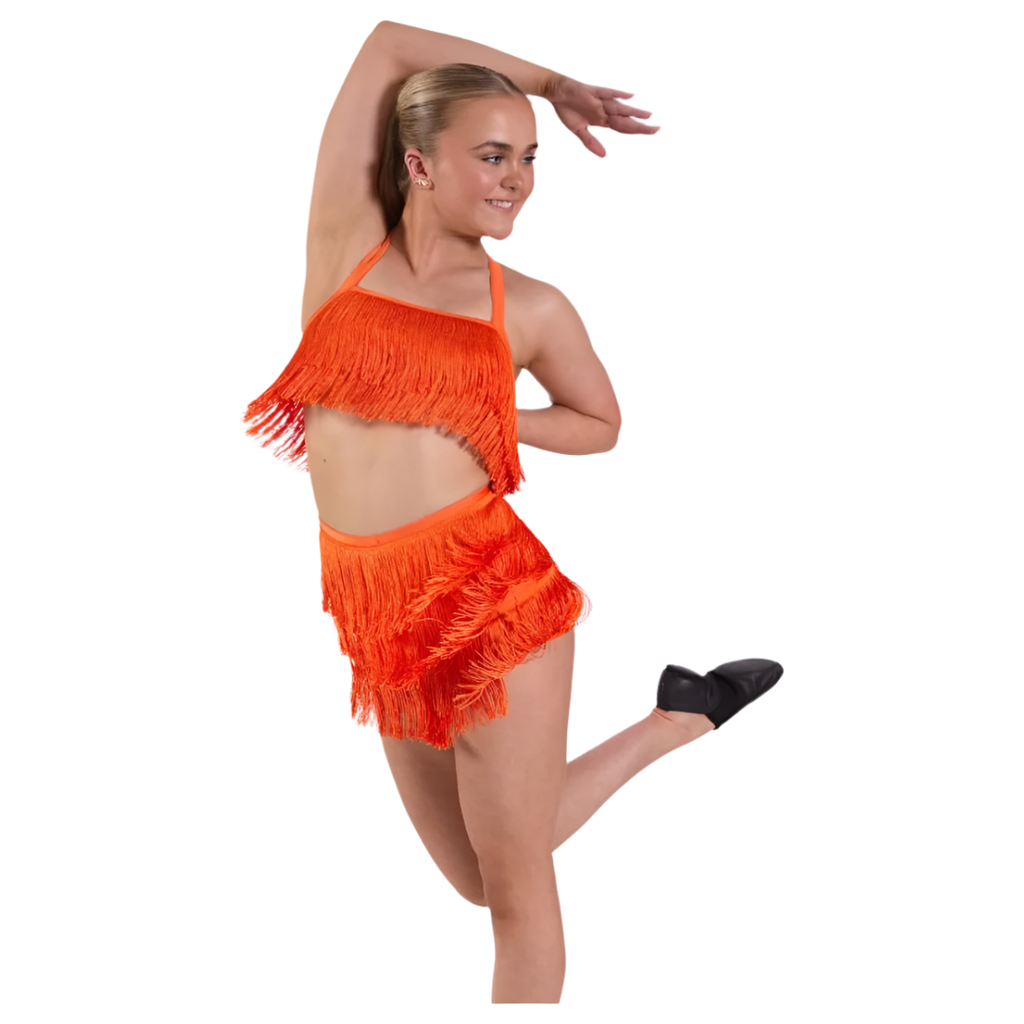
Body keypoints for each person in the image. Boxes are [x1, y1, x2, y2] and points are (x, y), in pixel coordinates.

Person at [243, 20, 782, 1004]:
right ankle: (677, 720)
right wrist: (552, 81)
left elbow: (600, 422)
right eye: (494, 155)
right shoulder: (345, 248)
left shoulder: (527, 307)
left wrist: (492, 413)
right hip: (377, 605)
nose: (519, 180)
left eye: (530, 159)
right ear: (419, 163)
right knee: (473, 875)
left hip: (492, 597)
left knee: (518, 890)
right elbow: (385, 43)